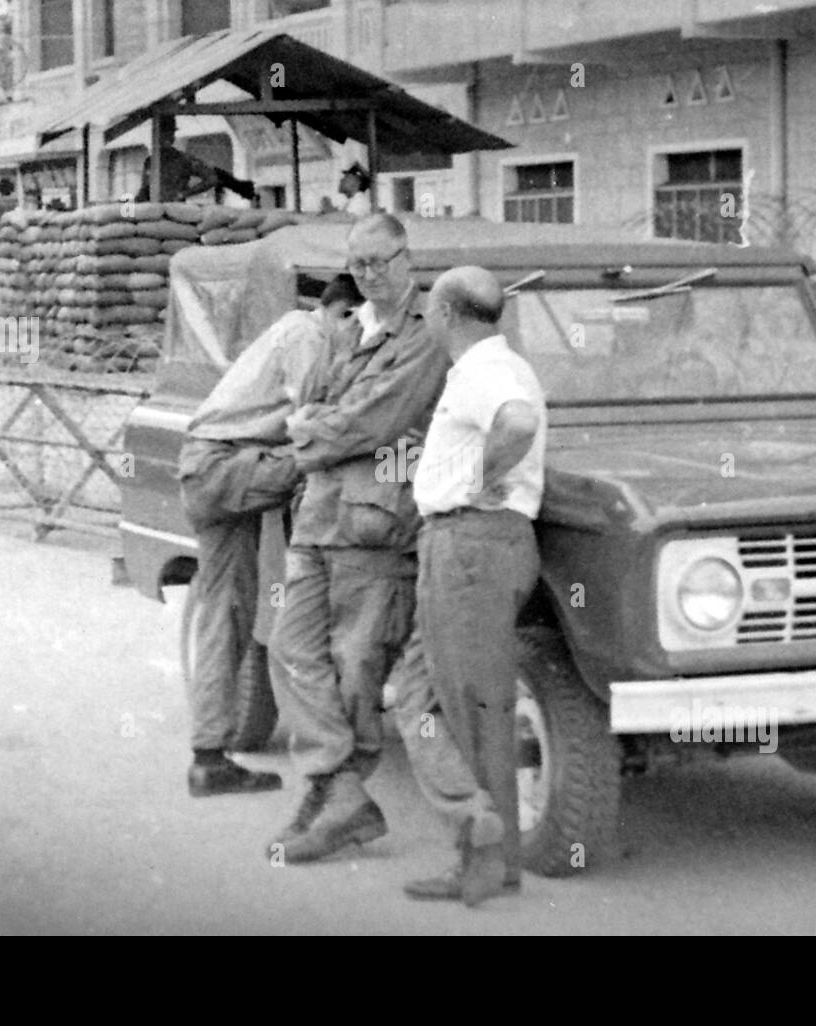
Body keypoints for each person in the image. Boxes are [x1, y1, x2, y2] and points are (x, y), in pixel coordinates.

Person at [268, 214, 451, 863]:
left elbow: (373, 421)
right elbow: (316, 404)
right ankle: (339, 787)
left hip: (374, 524)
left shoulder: (425, 338)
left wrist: (311, 431)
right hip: (320, 515)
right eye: (360, 265)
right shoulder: (351, 329)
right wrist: (320, 424)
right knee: (289, 649)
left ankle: (334, 795)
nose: (370, 275)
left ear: (407, 258)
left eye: (381, 261)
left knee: (355, 665)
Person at [393, 265, 547, 907]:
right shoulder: (493, 365)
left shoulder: (488, 372)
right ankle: (486, 842)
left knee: (464, 710)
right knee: (431, 693)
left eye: (430, 306)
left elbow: (516, 423)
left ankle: (481, 850)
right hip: (476, 546)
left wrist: (478, 482)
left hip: (471, 545)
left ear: (449, 313)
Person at [177, 274, 361, 797]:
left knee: (224, 613)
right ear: (344, 313)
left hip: (207, 466)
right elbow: (313, 422)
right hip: (226, 467)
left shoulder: (298, 330)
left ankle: (208, 759)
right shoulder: (308, 335)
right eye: (360, 327)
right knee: (327, 457)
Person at [137, 119, 256, 203]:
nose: (168, 138)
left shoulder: (183, 159)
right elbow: (144, 189)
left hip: (175, 211)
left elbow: (211, 178)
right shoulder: (150, 162)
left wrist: (184, 194)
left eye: (170, 134)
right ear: (156, 135)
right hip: (154, 212)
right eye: (165, 134)